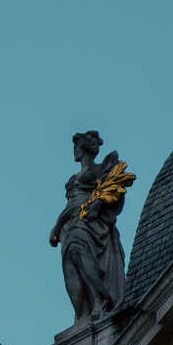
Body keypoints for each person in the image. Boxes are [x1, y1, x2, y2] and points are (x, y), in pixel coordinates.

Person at [49, 130, 129, 322]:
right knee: (70, 267)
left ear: (82, 148)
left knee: (80, 255)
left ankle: (100, 300)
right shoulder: (72, 180)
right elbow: (70, 205)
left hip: (87, 222)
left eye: (76, 147)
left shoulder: (99, 168)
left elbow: (116, 186)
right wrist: (57, 226)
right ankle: (81, 313)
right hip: (68, 224)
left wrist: (99, 203)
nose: (74, 151)